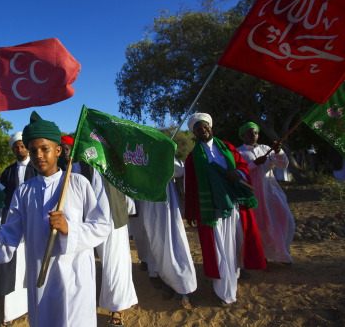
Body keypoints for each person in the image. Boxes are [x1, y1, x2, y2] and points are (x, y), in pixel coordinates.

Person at [0, 111, 111, 327]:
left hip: (75, 279)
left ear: (57, 150)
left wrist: (69, 229)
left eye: (45, 149)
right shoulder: (23, 192)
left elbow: (101, 226)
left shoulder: (77, 183)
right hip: (41, 280)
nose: (39, 155)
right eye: (33, 150)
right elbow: (8, 238)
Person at [184, 114, 266, 306]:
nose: (202, 130)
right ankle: (223, 292)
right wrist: (191, 212)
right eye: (198, 128)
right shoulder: (192, 158)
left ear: (211, 128)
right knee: (219, 249)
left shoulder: (228, 148)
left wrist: (237, 172)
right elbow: (190, 187)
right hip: (212, 209)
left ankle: (234, 274)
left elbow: (243, 166)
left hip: (235, 205)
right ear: (194, 133)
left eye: (205, 126)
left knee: (237, 242)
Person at [73, 159, 138, 325]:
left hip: (112, 217)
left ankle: (117, 307)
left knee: (115, 262)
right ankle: (81, 305)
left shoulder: (113, 159)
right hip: (85, 221)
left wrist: (129, 207)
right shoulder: (77, 166)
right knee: (81, 263)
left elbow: (125, 183)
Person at [0, 131, 37, 326]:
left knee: (31, 265)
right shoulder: (8, 172)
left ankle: (31, 304)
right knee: (10, 267)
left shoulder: (37, 168)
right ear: (13, 150)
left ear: (27, 147)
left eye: (22, 145)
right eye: (16, 146)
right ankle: (9, 312)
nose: (20, 149)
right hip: (13, 224)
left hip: (33, 225)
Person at [134, 159, 197, 310]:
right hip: (146, 204)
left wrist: (162, 159)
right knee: (155, 244)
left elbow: (179, 171)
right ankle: (164, 281)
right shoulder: (136, 150)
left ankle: (182, 288)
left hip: (167, 206)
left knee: (175, 243)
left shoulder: (163, 148)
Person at [237, 122, 295, 264]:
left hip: (271, 190)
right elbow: (237, 173)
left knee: (286, 220)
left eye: (256, 133)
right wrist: (254, 164)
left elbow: (283, 164)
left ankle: (281, 253)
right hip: (253, 193)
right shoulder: (238, 152)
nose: (253, 135)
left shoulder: (265, 149)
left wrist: (278, 151)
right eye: (250, 133)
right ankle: (262, 255)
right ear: (243, 135)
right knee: (260, 226)